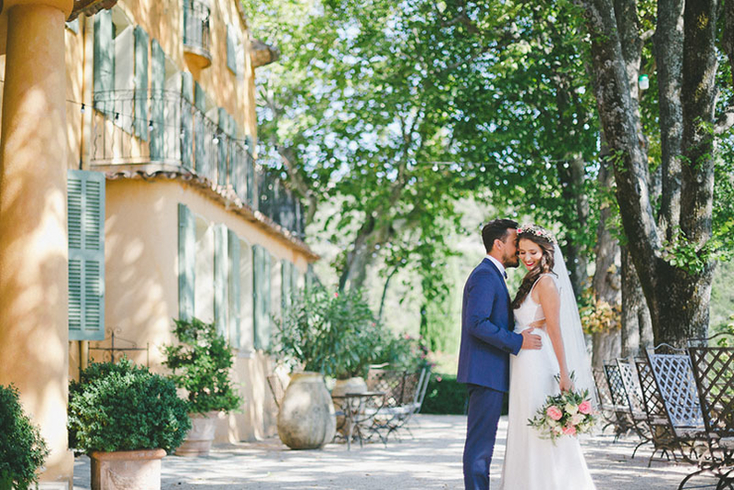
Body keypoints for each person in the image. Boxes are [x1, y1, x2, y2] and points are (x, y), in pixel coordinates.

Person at [498, 223, 597, 490]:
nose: (526, 258)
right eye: (521, 252)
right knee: (523, 423)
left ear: (545, 251)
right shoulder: (530, 280)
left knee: (537, 425)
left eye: (533, 252)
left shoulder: (547, 282)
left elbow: (554, 329)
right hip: (523, 362)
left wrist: (565, 373)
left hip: (538, 362)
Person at [458, 219, 543, 490]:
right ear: (498, 244)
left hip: (489, 373)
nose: (519, 250)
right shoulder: (485, 275)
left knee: (483, 445)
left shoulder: (492, 275)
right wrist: (517, 341)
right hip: (485, 373)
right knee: (480, 447)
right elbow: (477, 323)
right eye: (515, 243)